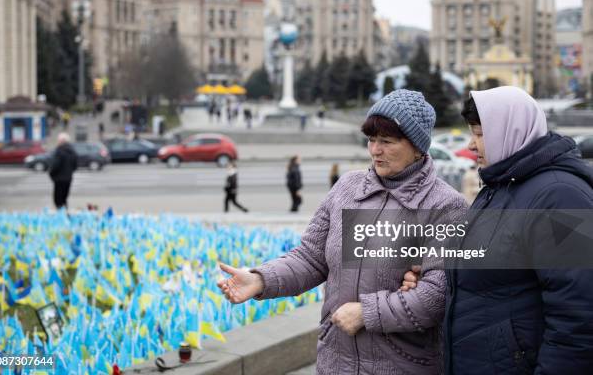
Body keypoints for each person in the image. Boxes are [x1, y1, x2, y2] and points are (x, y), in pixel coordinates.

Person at [217, 90, 468, 375]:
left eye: (387, 141)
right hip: (336, 363)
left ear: (418, 147)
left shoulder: (446, 206)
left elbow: (436, 296)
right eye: (371, 140)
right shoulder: (347, 188)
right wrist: (261, 279)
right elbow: (310, 258)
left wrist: (366, 313)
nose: (375, 150)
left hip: (402, 366)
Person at [401, 86, 593, 374]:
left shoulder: (561, 196)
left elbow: (579, 317)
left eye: (479, 133)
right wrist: (440, 269)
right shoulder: (501, 185)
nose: (472, 144)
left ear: (512, 130)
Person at [49, 133, 78, 209]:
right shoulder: (72, 151)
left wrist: (51, 173)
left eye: (58, 140)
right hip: (68, 178)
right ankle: (64, 213)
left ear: (62, 141)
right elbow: (75, 165)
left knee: (57, 199)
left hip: (59, 178)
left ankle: (61, 216)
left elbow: (55, 165)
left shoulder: (59, 151)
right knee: (64, 198)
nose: (57, 142)